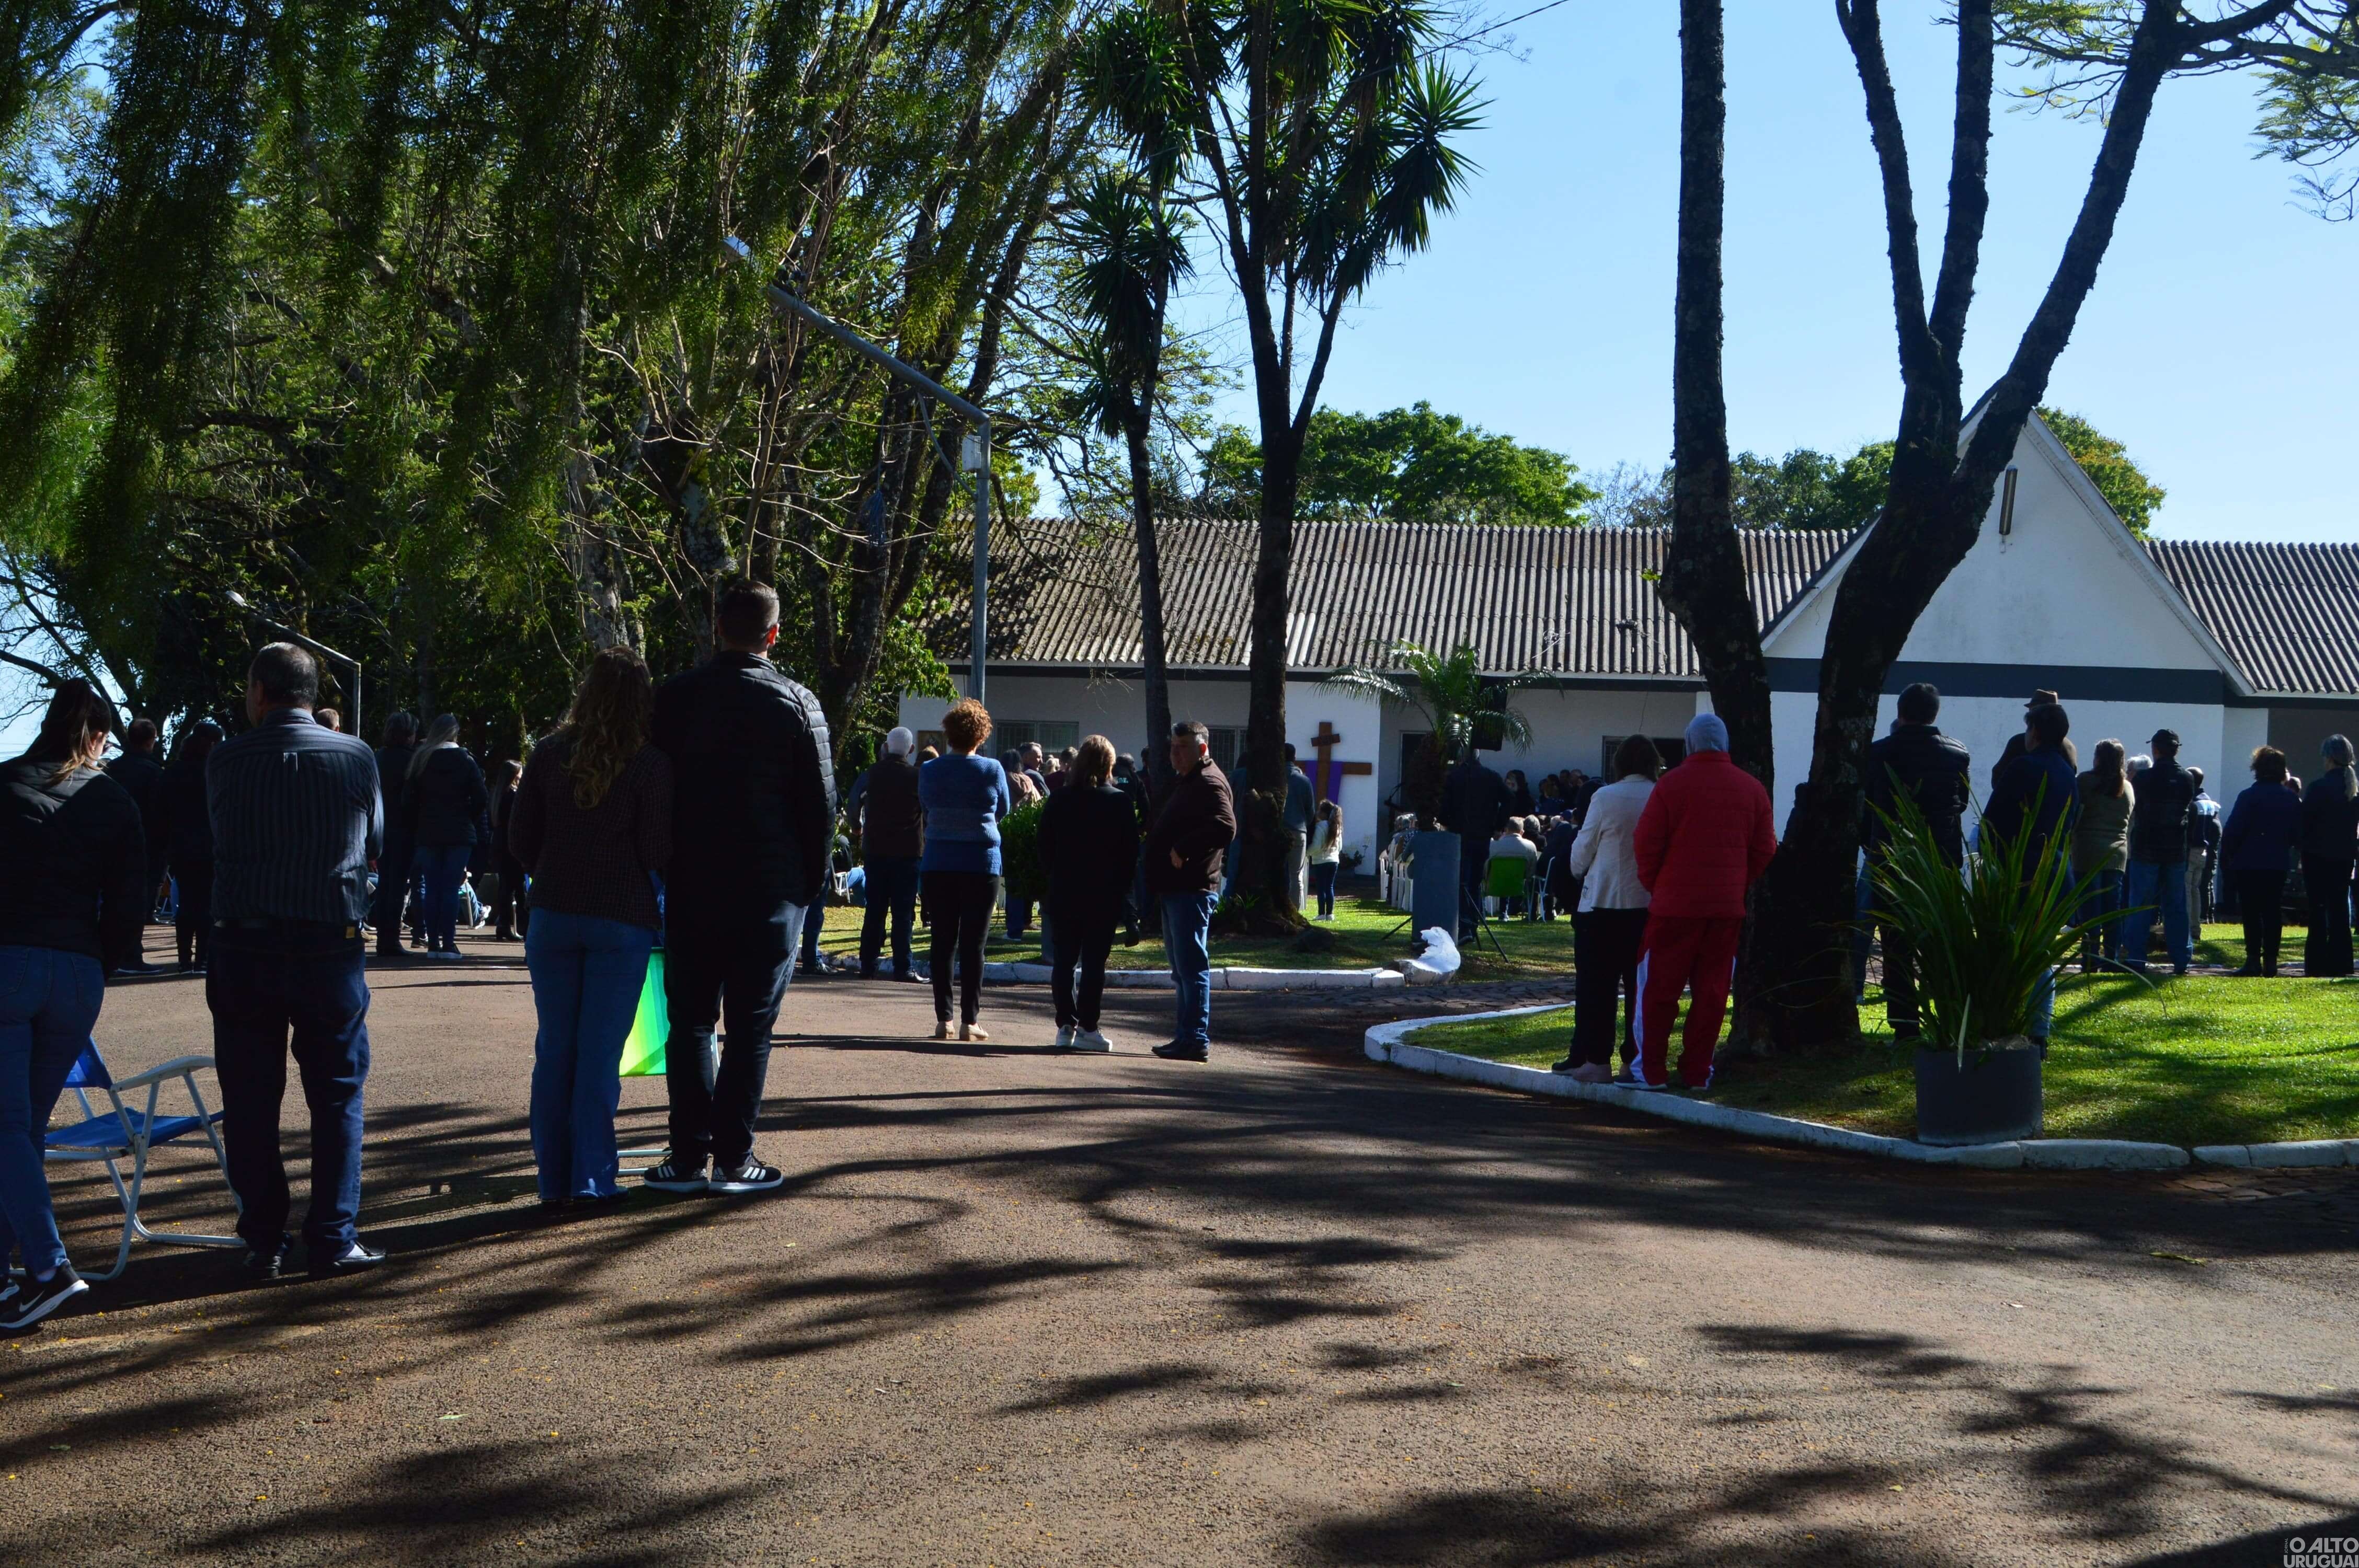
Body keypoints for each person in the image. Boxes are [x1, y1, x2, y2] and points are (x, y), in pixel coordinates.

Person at [647, 579, 834, 1195]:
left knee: (690, 1024)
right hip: (770, 888)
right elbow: (821, 804)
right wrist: (809, 884)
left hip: (694, 881)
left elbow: (653, 789)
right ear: (773, 634)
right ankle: (734, 1158)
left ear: (717, 627)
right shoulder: (798, 702)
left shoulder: (675, 698)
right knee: (751, 1028)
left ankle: (685, 1157)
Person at [205, 643, 385, 1279]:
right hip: (327, 940)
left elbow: (216, 838)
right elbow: (375, 841)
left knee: (250, 1097)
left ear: (260, 692)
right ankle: (333, 1236)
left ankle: (264, 1238)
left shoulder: (226, 760)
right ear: (312, 693)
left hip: (243, 941)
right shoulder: (356, 757)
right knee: (336, 1095)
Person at [0, 683, 147, 1331]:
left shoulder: (6, 784)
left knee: (8, 1127)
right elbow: (129, 901)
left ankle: (48, 1267)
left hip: (11, 958)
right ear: (99, 738)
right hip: (79, 971)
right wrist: (98, 963)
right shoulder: (113, 800)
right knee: (22, 1129)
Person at [510, 647, 673, 1208]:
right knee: (600, 1055)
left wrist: (553, 868)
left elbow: (520, 839)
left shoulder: (547, 752)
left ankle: (552, 1180)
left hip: (553, 913)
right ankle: (592, 1178)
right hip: (620, 917)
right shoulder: (650, 764)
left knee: (555, 1049)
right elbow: (657, 850)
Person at [1629, 716, 1774, 1090]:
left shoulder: (1670, 785)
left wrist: (1657, 885)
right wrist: (1737, 882)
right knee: (1711, 993)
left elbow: (1646, 843)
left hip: (1673, 906)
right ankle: (1697, 1071)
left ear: (1690, 743)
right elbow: (1765, 849)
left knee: (1659, 991)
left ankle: (1651, 1071)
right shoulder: (1752, 789)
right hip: (1725, 908)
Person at [1859, 683, 1972, 1041]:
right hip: (1941, 862)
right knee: (1940, 943)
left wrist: (1871, 845)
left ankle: (1904, 1025)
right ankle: (1947, 1020)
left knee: (1896, 948)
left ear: (1900, 712)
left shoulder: (1879, 753)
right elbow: (1961, 804)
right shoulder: (1957, 754)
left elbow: (1866, 808)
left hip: (1891, 860)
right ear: (1934, 714)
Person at [1552, 734, 1659, 1083]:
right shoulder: (1661, 795)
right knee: (1641, 989)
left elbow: (1581, 855)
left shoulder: (1605, 797)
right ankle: (1634, 1060)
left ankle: (1598, 1061)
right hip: (1650, 904)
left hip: (1604, 904)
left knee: (1599, 988)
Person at [1984, 701, 2080, 1051]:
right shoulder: (2068, 773)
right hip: (2055, 871)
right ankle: (2039, 1030)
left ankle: (2008, 1021)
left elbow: (1993, 820)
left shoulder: (2023, 766)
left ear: (2035, 732)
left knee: (2009, 949)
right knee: (2041, 955)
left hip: (2020, 869)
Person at [1038, 735, 1138, 1052]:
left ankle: (1065, 1024)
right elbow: (1130, 854)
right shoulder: (1119, 801)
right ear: (1109, 764)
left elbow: (1044, 846)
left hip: (1064, 891)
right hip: (1103, 895)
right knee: (1095, 963)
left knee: (1064, 962)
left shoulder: (1060, 799)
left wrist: (1054, 876)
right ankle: (1088, 1027)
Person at [921, 699, 1012, 1042]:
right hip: (980, 862)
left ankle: (943, 1019)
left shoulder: (930, 770)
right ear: (981, 735)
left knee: (942, 941)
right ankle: (969, 1020)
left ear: (948, 733)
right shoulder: (992, 769)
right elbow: (1003, 808)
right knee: (975, 944)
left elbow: (926, 806)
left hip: (939, 861)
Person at [1144, 721, 1236, 1063]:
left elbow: (1226, 826)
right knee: (1182, 970)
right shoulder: (1193, 780)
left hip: (1192, 889)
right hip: (1177, 889)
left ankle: (1195, 1038)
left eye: (1182, 747)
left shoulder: (1209, 781)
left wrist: (1184, 848)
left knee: (1191, 968)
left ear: (1202, 749)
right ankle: (1186, 1037)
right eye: (1173, 747)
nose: (1175, 754)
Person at [403, 715, 488, 962]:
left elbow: (408, 800)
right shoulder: (466, 759)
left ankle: (432, 943)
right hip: (459, 832)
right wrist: (467, 816)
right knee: (451, 888)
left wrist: (420, 820)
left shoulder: (421, 759)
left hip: (428, 831)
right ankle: (449, 943)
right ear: (454, 733)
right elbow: (481, 797)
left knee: (432, 888)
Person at [2122, 727, 2197, 976]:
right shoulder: (2187, 779)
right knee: (2176, 906)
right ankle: (2182, 958)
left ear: (2155, 749)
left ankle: (2136, 957)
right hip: (2175, 850)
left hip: (2146, 849)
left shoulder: (2143, 779)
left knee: (2140, 906)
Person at [850, 727, 923, 981]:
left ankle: (867, 964)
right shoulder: (917, 777)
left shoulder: (871, 774)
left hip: (876, 850)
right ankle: (903, 966)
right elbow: (928, 809)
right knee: (903, 912)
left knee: (875, 909)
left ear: (887, 746)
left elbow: (854, 802)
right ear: (911, 750)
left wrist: (857, 827)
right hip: (908, 852)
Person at [2222, 746, 2301, 976]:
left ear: (2257, 768)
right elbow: (2298, 835)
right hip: (2277, 862)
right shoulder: (2290, 798)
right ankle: (2271, 961)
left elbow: (2233, 831)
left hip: (2248, 862)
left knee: (2251, 912)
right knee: (2273, 911)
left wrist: (2230, 856)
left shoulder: (2248, 796)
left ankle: (2253, 959)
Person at [159, 721, 224, 973]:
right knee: (207, 903)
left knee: (186, 903)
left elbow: (163, 811)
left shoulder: (173, 772)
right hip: (210, 845)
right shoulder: (215, 773)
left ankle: (184, 958)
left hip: (180, 847)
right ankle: (203, 958)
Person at [2070, 740, 2135, 973]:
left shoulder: (2085, 782)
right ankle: (2111, 958)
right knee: (2112, 910)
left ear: (2098, 757)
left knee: (2090, 910)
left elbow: (2074, 812)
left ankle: (2090, 958)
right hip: (2117, 854)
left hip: (2087, 851)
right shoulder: (2127, 787)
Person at [2300, 736, 2359, 977]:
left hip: (2317, 856)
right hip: (2344, 857)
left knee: (2317, 909)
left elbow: (2305, 823)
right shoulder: (2352, 791)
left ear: (2330, 758)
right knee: (2340, 909)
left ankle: (2316, 963)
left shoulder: (2318, 788)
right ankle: (2342, 962)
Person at [1437, 747, 1510, 940]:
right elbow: (1509, 799)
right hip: (1482, 836)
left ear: (1461, 758)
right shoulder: (1492, 776)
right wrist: (1498, 826)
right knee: (1475, 882)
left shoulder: (1454, 777)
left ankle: (1464, 926)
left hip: (1459, 835)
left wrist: (1446, 821)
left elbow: (1443, 806)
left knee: (1461, 882)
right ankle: (1472, 924)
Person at [106, 716, 169, 930]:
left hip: (114, 836)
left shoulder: (111, 768)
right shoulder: (155, 771)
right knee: (150, 880)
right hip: (149, 836)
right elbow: (160, 808)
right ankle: (147, 915)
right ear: (152, 739)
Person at [371, 712, 420, 959]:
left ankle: (383, 937)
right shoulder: (412, 761)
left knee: (384, 884)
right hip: (404, 829)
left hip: (380, 828)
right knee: (398, 886)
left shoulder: (377, 757)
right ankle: (391, 939)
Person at [489, 759, 527, 942]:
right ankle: (525, 927)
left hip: (499, 844)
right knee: (520, 889)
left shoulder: (497, 796)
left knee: (506, 888)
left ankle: (503, 925)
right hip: (512, 845)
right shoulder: (513, 796)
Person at [1278, 743, 1316, 913]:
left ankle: (1278, 908)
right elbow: (1311, 811)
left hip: (1278, 830)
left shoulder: (1275, 778)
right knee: (1296, 876)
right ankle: (1294, 911)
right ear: (1294, 757)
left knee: (1276, 872)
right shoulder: (1304, 781)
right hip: (1298, 830)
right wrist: (1303, 824)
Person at [2188, 766, 2221, 939]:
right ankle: (2196, 927)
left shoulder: (2193, 802)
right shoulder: (2209, 802)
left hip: (2191, 850)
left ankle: (2187, 928)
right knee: (2196, 890)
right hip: (2204, 851)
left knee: (2186, 890)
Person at [1486, 819, 1539, 917]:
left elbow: (1485, 869)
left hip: (1493, 886)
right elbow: (1531, 872)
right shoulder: (1530, 847)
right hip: (1519, 887)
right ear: (1522, 832)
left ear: (1506, 830)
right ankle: (1530, 913)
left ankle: (1483, 912)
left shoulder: (1493, 845)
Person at [1308, 799, 1344, 920]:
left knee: (1321, 888)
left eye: (1320, 810)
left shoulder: (1320, 826)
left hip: (1321, 861)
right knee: (1330, 887)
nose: (1318, 812)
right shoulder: (1337, 827)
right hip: (1334, 860)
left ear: (1324, 813)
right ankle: (1330, 914)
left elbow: (1316, 845)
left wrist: (1306, 853)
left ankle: (1321, 914)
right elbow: (1340, 847)